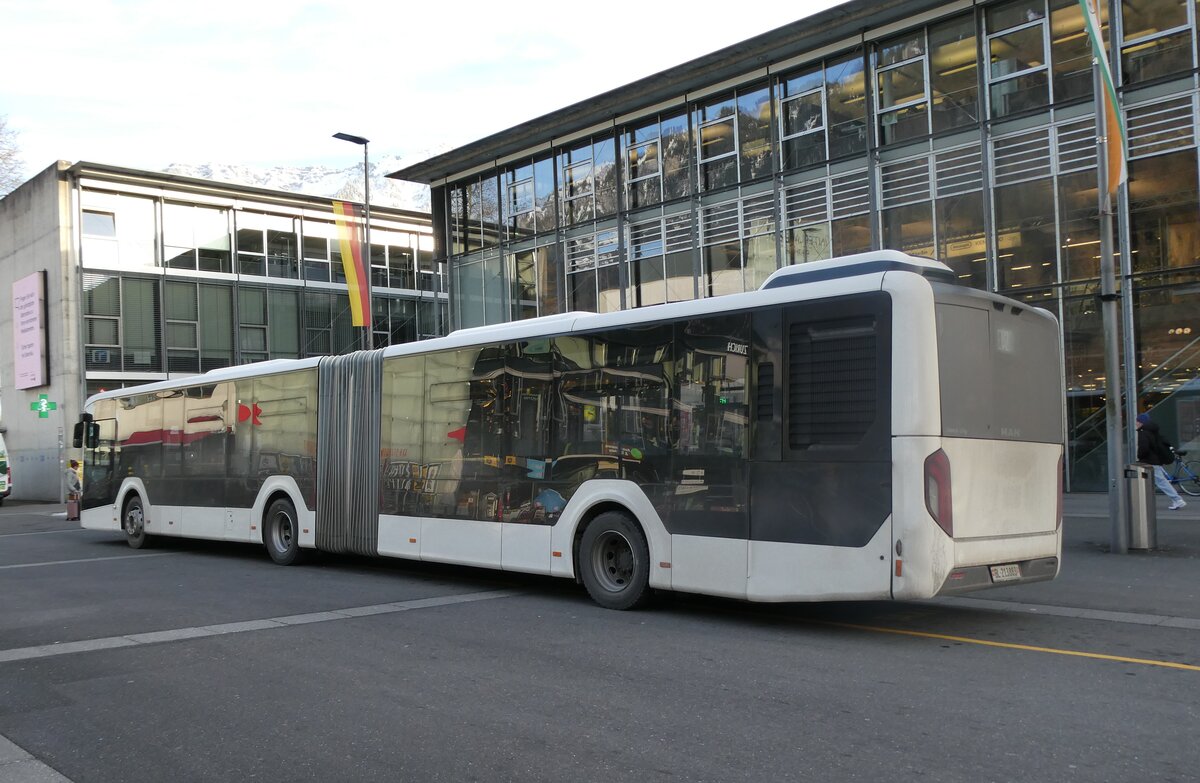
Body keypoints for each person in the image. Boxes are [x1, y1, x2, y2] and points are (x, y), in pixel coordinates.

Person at [1135, 412, 1187, 510]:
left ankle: (1177, 499)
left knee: (1161, 482)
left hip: (1149, 461)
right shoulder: (1153, 431)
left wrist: (1139, 456)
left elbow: (1144, 448)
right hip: (1155, 460)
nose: (1136, 423)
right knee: (1156, 481)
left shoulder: (1143, 432)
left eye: (1137, 421)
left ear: (1141, 422)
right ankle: (1143, 501)